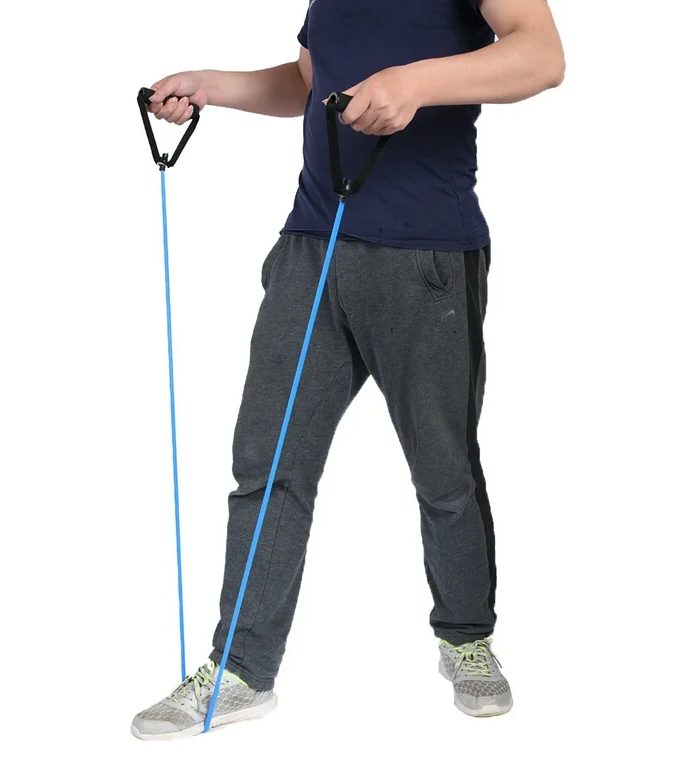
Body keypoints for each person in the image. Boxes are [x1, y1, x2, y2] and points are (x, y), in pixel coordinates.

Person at [132, 0, 564, 738]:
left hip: (427, 256)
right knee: (267, 464)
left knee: (443, 470)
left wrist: (414, 83)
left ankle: (466, 639)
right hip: (313, 245)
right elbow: (309, 79)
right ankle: (241, 669)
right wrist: (214, 86)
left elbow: (542, 56)